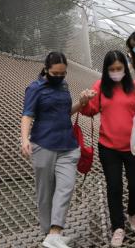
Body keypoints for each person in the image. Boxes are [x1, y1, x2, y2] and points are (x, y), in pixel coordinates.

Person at [79, 50, 135, 247]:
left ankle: (134, 214)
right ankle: (117, 227)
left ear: (126, 68)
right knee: (114, 186)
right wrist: (84, 101)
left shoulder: (134, 86)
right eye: (112, 69)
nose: (116, 72)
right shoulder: (101, 86)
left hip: (134, 146)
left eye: (119, 68)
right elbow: (89, 111)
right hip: (108, 146)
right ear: (106, 70)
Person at [20, 52, 93, 248]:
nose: (59, 77)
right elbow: (27, 115)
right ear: (46, 69)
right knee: (45, 191)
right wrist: (24, 138)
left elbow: (65, 113)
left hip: (68, 146)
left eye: (63, 73)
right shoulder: (35, 88)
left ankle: (55, 232)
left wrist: (82, 103)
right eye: (55, 73)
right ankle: (50, 235)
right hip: (43, 145)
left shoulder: (64, 86)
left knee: (66, 187)